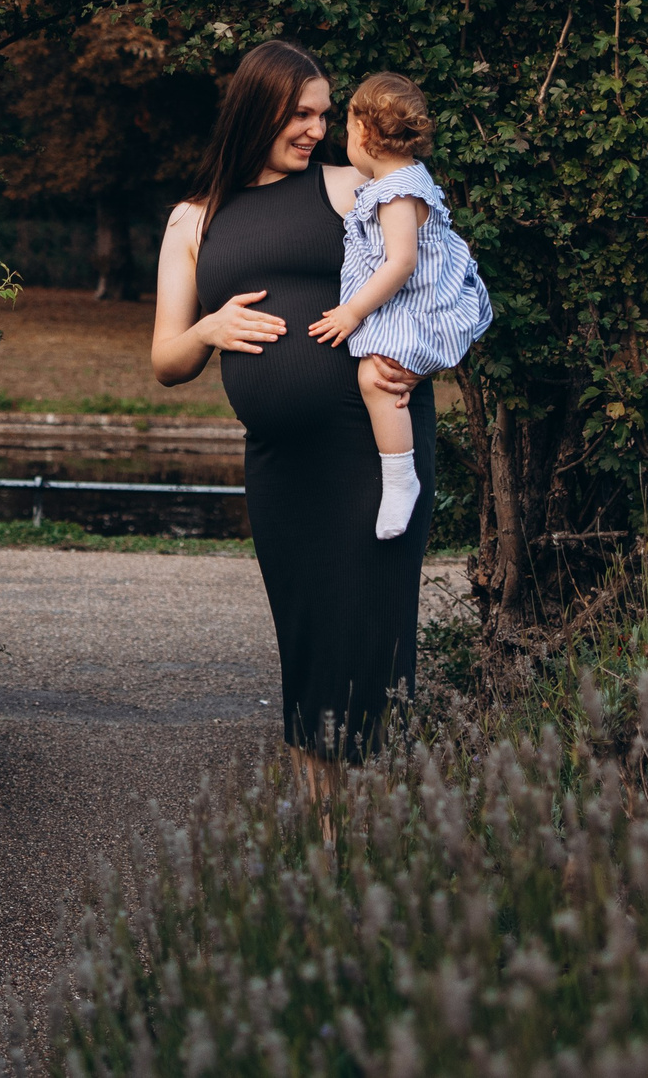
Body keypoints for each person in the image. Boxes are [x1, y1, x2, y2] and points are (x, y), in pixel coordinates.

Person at [149, 40, 437, 778]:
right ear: (259, 109)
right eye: (301, 114)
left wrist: (424, 353)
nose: (317, 129)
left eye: (323, 114)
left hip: (370, 452)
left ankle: (381, 824)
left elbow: (436, 270)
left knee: (369, 635)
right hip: (281, 466)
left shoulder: (351, 187)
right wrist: (209, 330)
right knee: (307, 639)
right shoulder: (193, 220)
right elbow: (166, 362)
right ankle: (323, 831)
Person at [306, 74, 493, 539]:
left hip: (420, 308)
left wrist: (352, 312)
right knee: (382, 380)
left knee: (375, 377)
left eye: (346, 128)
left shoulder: (396, 191)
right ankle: (398, 471)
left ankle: (400, 477)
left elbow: (402, 263)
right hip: (414, 302)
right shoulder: (404, 178)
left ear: (363, 132)